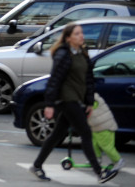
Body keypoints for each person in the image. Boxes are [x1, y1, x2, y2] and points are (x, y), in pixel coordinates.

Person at [30, 23, 118, 183]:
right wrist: (49, 104)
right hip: (66, 99)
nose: (81, 36)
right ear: (68, 37)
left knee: (57, 134)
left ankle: (36, 165)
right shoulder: (63, 54)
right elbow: (54, 80)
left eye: (81, 33)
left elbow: (88, 79)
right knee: (86, 133)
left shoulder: (82, 54)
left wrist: (89, 101)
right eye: (77, 34)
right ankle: (100, 173)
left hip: (77, 98)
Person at [89, 93, 123, 173]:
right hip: (96, 127)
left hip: (104, 127)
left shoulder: (91, 100)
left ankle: (118, 161)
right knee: (93, 143)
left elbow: (88, 112)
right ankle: (96, 159)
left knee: (106, 146)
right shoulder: (90, 96)